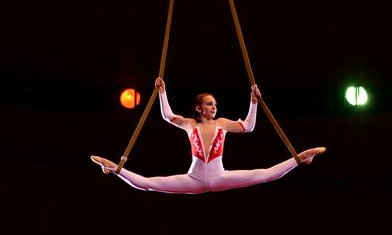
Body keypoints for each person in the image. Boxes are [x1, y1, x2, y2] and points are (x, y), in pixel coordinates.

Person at [91, 78, 325, 193]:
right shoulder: (189, 124)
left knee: (265, 175)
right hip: (193, 179)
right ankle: (114, 169)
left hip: (218, 177)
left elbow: (250, 127)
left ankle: (300, 159)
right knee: (148, 185)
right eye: (210, 104)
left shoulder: (222, 124)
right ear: (199, 108)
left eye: (215, 104)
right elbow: (166, 115)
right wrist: (162, 92)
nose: (214, 108)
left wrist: (253, 103)